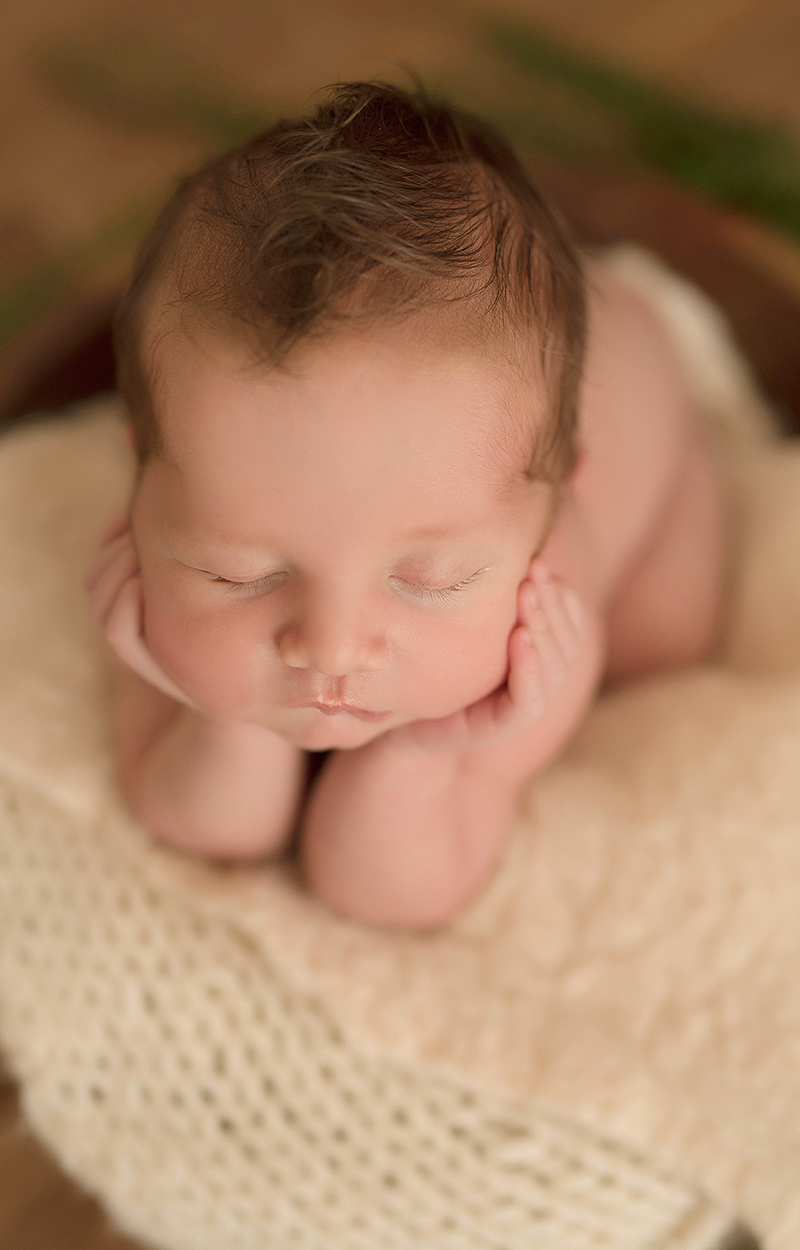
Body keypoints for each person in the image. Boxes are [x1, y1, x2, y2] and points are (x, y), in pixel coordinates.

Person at [84, 81, 725, 929]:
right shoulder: (154, 554)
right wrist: (217, 715)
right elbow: (206, 832)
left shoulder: (543, 626)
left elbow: (386, 892)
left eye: (433, 579)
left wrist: (423, 754)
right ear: (139, 471)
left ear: (548, 515)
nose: (332, 648)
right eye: (240, 573)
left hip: (654, 429)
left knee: (666, 649)